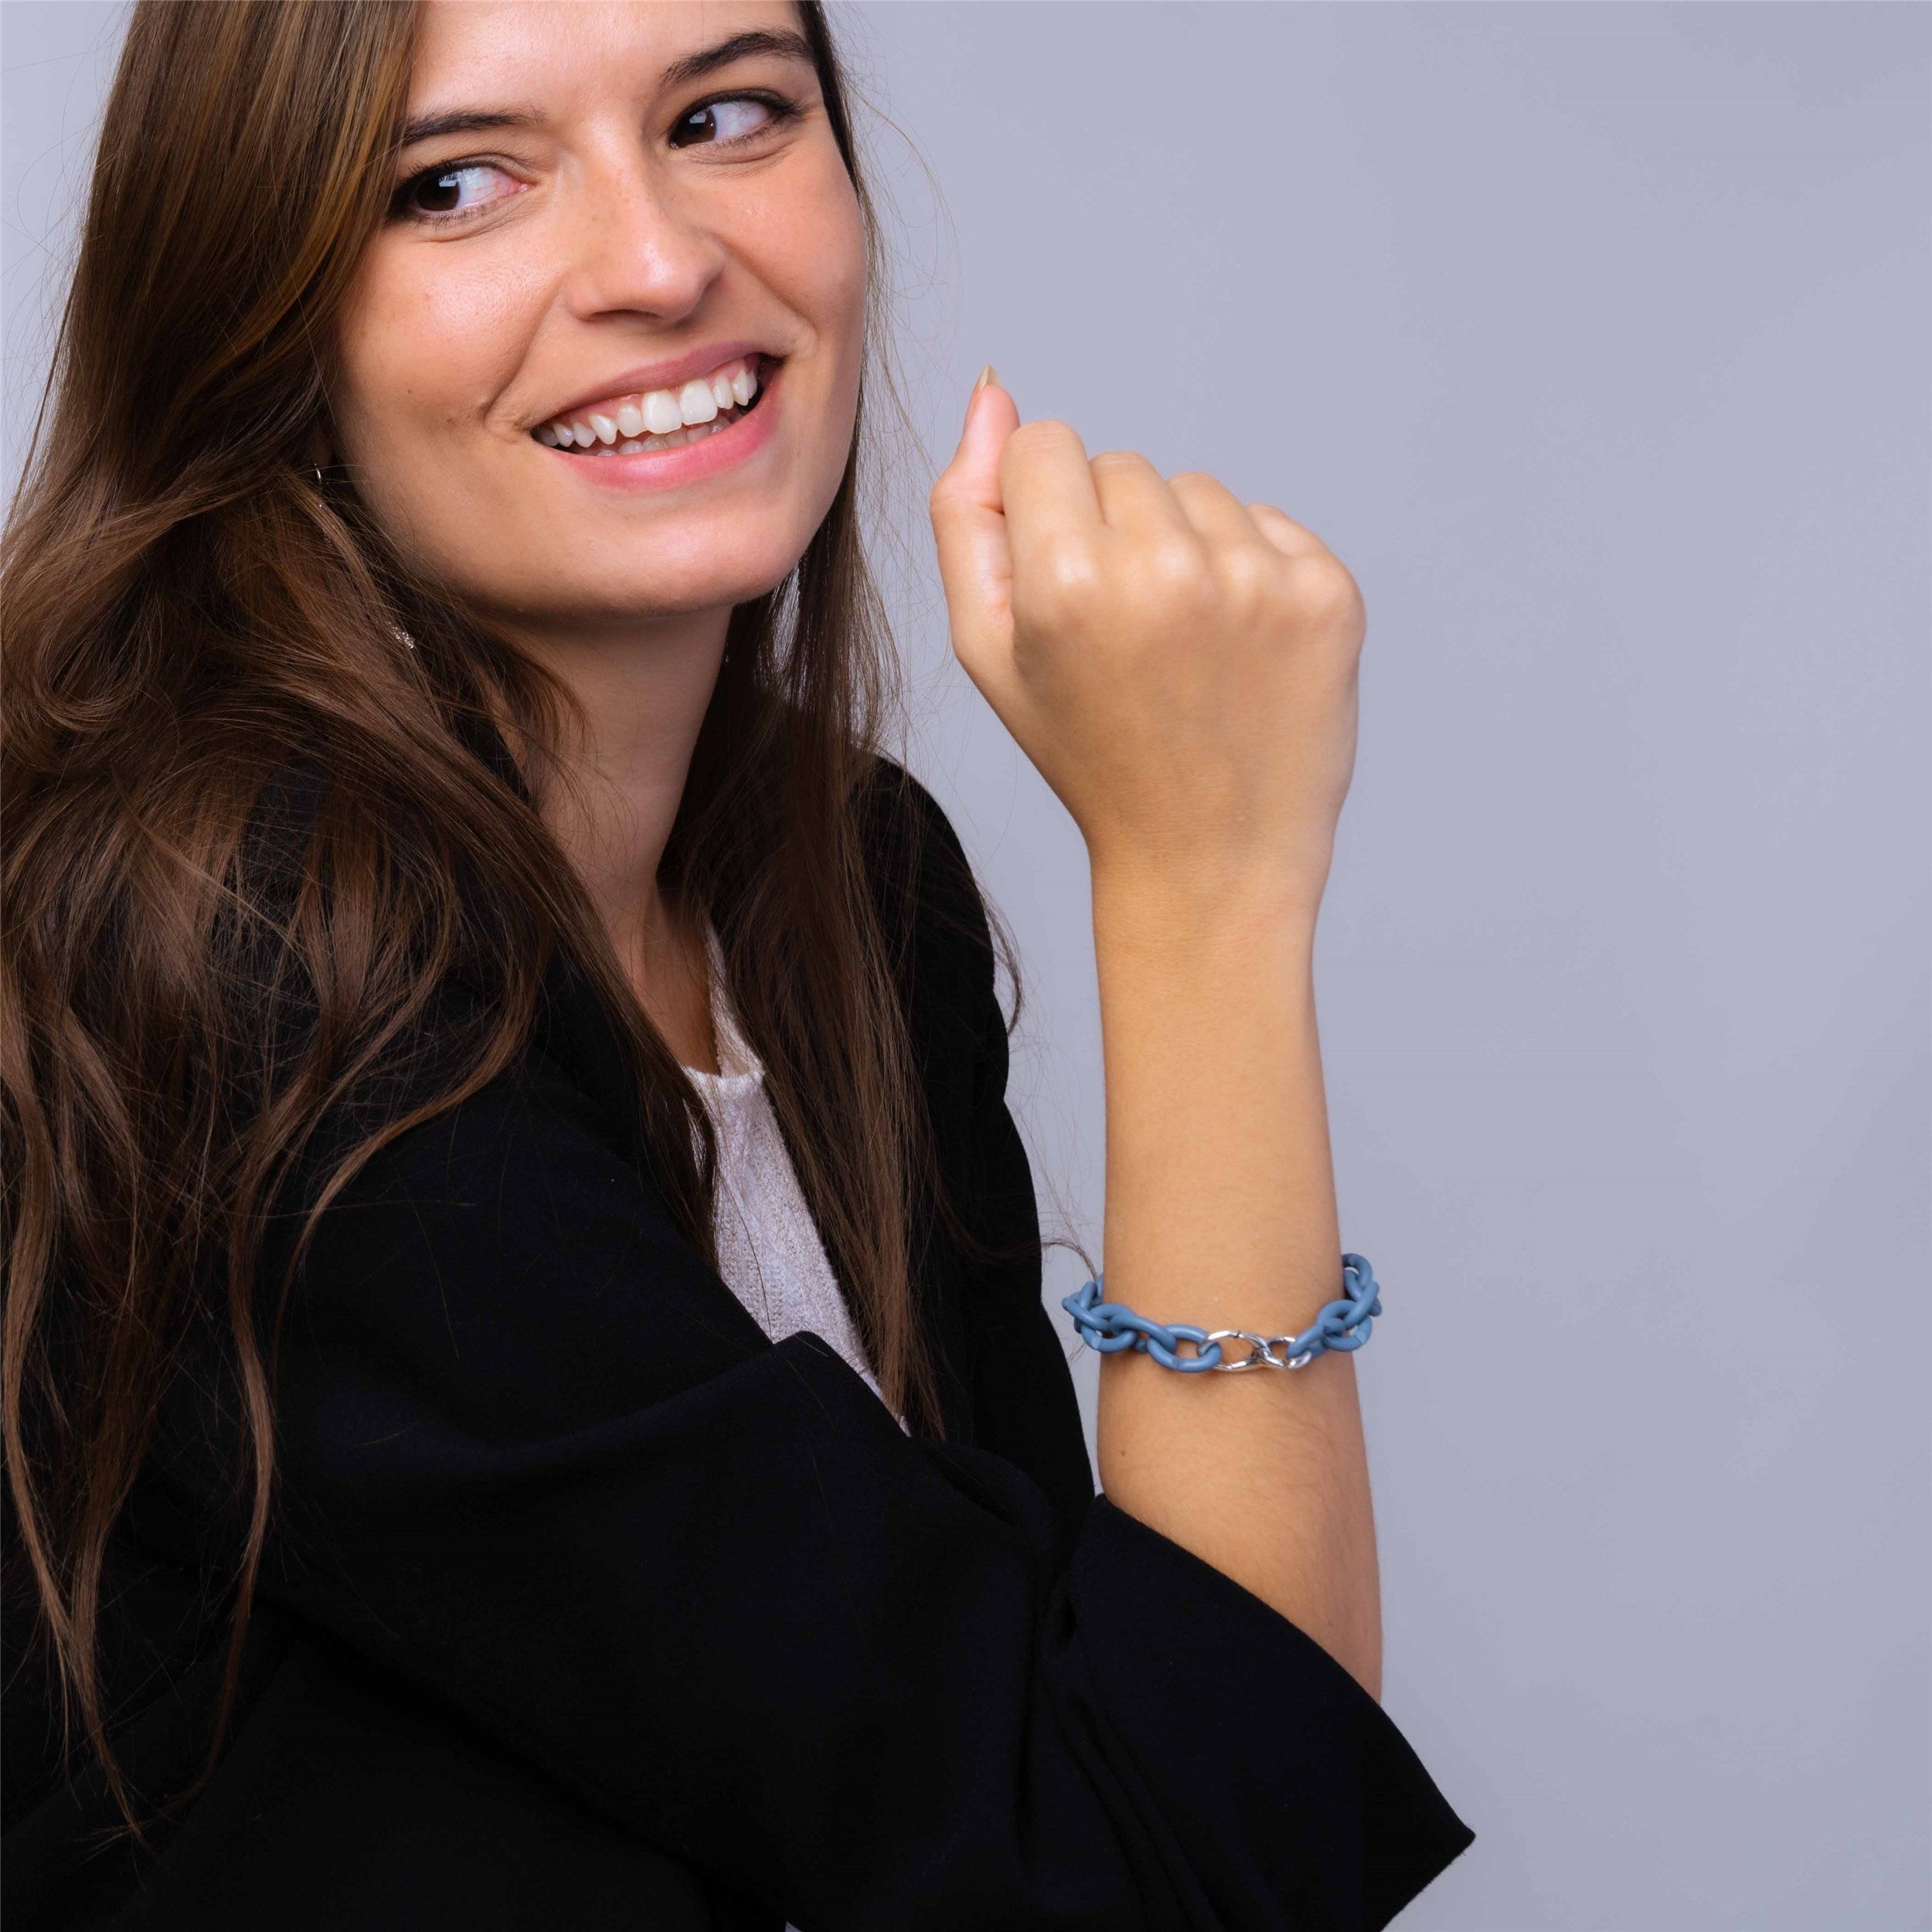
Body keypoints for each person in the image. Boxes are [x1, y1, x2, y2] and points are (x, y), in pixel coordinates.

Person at [0, 2, 1476, 1925]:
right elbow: (1157, 1870)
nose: (659, 260)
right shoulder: (237, 975)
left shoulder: (850, 881)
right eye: (454, 184)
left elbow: (1124, 1743)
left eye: (726, 114)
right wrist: (1204, 889)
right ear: (258, 309)